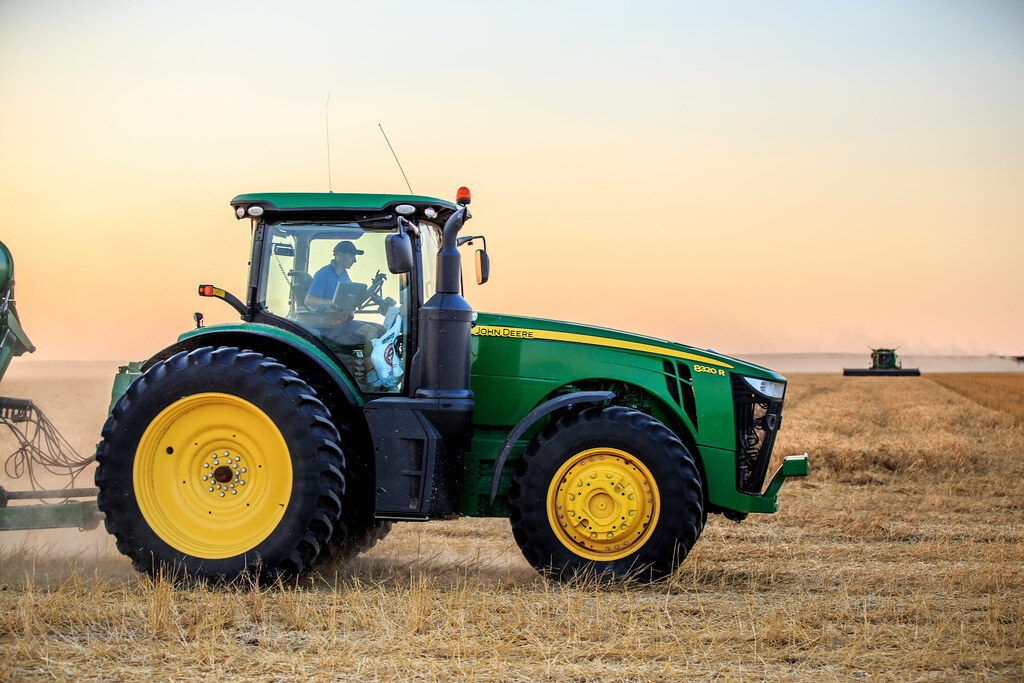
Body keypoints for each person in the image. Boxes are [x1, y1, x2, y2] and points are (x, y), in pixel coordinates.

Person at [304, 241, 387, 384]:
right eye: (352, 256)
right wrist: (333, 302)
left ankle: (382, 372)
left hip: (344, 320)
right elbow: (309, 300)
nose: (355, 260)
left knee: (382, 330)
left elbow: (349, 297)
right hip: (330, 325)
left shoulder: (344, 275)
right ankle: (371, 374)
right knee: (370, 332)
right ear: (340, 255)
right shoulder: (323, 274)